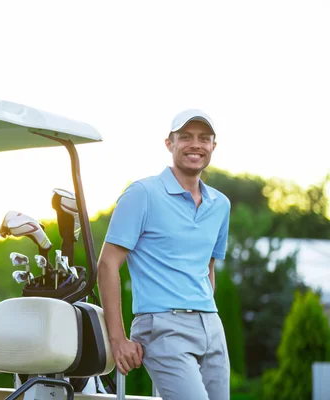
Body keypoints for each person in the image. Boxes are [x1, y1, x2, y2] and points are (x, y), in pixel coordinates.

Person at [97, 109, 231, 400]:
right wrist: (118, 339)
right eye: (185, 137)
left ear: (213, 147)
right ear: (170, 144)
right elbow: (108, 264)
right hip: (163, 326)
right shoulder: (141, 194)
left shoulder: (220, 204)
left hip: (211, 325)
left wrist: (207, 312)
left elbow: (208, 265)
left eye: (204, 139)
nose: (195, 145)